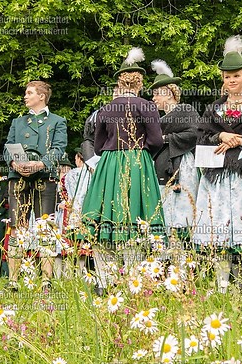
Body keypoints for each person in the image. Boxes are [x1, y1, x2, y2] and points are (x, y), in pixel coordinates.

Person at [79, 47, 164, 292]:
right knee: (135, 216)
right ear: (139, 83)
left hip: (110, 165)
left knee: (108, 216)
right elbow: (157, 140)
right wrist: (141, 151)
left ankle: (104, 280)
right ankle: (134, 279)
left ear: (119, 82)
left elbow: (96, 145)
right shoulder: (147, 106)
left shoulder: (106, 109)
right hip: (137, 164)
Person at [193, 35, 242, 292]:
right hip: (216, 179)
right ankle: (224, 285)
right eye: (226, 76)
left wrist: (240, 140)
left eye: (236, 76)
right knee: (219, 231)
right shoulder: (213, 109)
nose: (231, 80)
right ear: (223, 80)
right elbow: (200, 136)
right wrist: (220, 135)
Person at [3, 81, 67, 290]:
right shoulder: (17, 122)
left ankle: (46, 279)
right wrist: (15, 163)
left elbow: (59, 149)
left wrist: (40, 164)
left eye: (29, 93)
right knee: (16, 227)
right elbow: (7, 147)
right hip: (18, 177)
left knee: (45, 228)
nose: (25, 96)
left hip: (44, 177)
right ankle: (13, 279)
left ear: (41, 96)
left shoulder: (57, 121)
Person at [150, 59, 200, 245]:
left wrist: (165, 139)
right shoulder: (158, 119)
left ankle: (185, 259)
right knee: (166, 216)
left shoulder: (186, 110)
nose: (153, 98)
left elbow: (195, 133)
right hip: (163, 170)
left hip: (183, 167)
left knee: (183, 214)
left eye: (157, 94)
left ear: (169, 93)